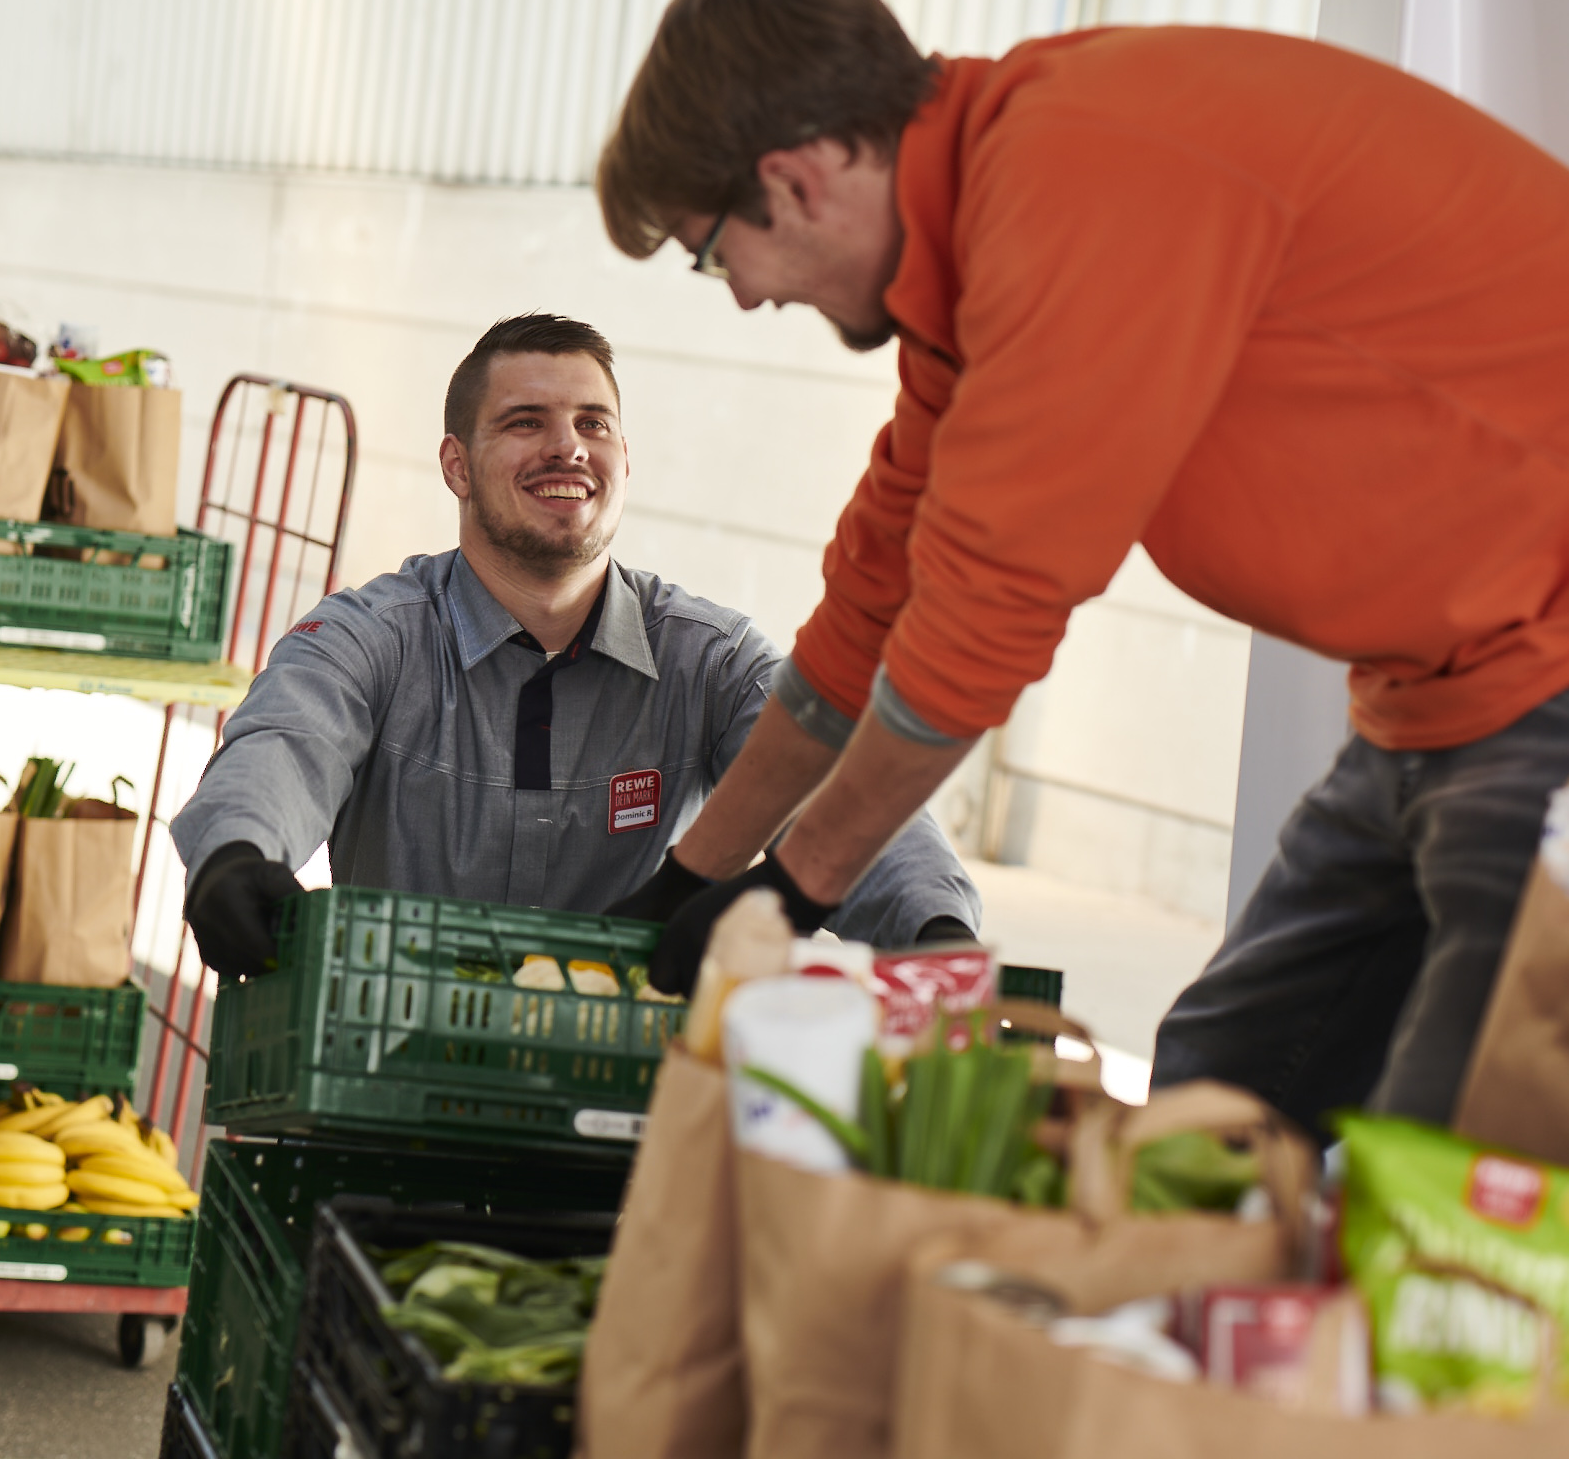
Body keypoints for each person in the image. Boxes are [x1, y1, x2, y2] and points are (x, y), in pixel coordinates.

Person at [591, 0, 1569, 1127]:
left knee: (1459, 1127)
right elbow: (875, 599)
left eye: (717, 256)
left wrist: (796, 891)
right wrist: (693, 876)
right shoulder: (972, 246)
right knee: (1216, 1094)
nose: (748, 295)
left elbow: (984, 620)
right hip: (1462, 676)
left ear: (799, 177)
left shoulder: (1074, 172)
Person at [174, 312, 980, 977]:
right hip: (387, 1075)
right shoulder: (370, 639)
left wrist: (935, 926)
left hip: (629, 1098)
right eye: (526, 423)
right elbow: (281, 744)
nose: (569, 447)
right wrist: (235, 855)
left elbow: (833, 785)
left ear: (624, 460)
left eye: (592, 424)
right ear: (457, 464)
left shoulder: (711, 661)